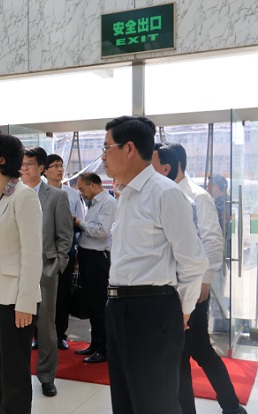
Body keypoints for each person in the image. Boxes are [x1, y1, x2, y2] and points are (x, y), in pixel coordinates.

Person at [102, 115, 208, 414]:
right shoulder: (125, 195)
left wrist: (182, 310)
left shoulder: (165, 192)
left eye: (107, 148)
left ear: (129, 149)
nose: (103, 156)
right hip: (119, 306)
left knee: (155, 402)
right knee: (125, 398)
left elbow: (192, 260)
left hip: (152, 309)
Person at [166, 143, 247, 414]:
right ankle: (228, 406)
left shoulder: (197, 196)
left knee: (192, 352)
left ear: (172, 165)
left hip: (193, 287)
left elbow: (213, 240)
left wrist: (206, 280)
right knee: (193, 351)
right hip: (176, 286)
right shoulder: (169, 193)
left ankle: (228, 406)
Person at [0, 131, 43, 414]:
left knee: (13, 375)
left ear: (2, 159)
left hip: (15, 300)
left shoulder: (23, 196)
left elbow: (32, 253)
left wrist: (26, 303)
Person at [20, 147, 72, 397]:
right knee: (18, 324)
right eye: (22, 164)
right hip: (17, 269)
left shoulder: (56, 196)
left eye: (29, 164)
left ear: (41, 168)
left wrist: (57, 266)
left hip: (45, 269)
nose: (24, 168)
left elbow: (65, 236)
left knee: (46, 327)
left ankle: (46, 376)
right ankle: (19, 373)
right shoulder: (13, 193)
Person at [73, 172, 116, 363]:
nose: (81, 193)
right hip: (87, 256)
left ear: (92, 185)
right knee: (91, 304)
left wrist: (80, 223)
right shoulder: (94, 204)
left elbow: (101, 230)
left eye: (82, 189)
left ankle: (103, 348)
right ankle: (95, 344)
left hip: (98, 258)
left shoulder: (108, 203)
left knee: (99, 304)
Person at [44, 154, 86, 350]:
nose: (59, 169)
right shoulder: (37, 193)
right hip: (43, 250)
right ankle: (39, 334)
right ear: (45, 170)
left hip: (65, 250)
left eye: (61, 166)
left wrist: (74, 253)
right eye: (54, 166)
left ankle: (60, 333)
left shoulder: (72, 194)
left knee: (62, 294)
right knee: (42, 295)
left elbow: (79, 223)